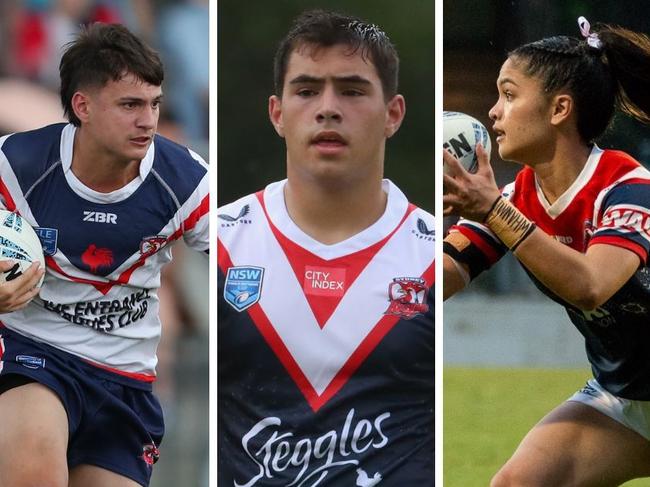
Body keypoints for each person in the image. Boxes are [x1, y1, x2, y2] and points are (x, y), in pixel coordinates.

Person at [218, 10, 434, 486]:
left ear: (393, 114)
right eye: (307, 90)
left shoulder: (436, 256)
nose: (328, 108)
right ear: (277, 113)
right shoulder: (220, 244)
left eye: (352, 91)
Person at [443, 16, 650, 487]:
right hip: (621, 399)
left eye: (510, 95)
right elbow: (440, 278)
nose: (493, 112)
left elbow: (591, 286)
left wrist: (493, 209)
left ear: (559, 109)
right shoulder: (516, 200)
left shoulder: (628, 186)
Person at [0, 23, 209, 487]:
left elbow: (244, 263)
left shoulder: (186, 181)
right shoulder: (16, 165)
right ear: (83, 106)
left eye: (154, 103)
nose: (148, 121)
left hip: (125, 380)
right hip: (34, 354)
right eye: (130, 105)